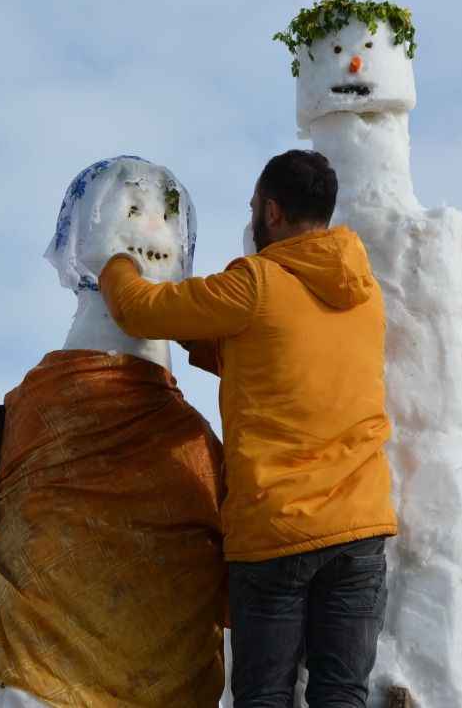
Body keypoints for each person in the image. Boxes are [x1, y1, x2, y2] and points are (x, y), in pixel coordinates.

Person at [93, 149, 398, 708]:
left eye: (255, 206)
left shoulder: (255, 283)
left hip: (275, 529)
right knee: (342, 694)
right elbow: (279, 356)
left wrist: (110, 258)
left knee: (263, 697)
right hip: (359, 529)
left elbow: (138, 309)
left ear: (273, 213)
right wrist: (201, 335)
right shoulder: (363, 292)